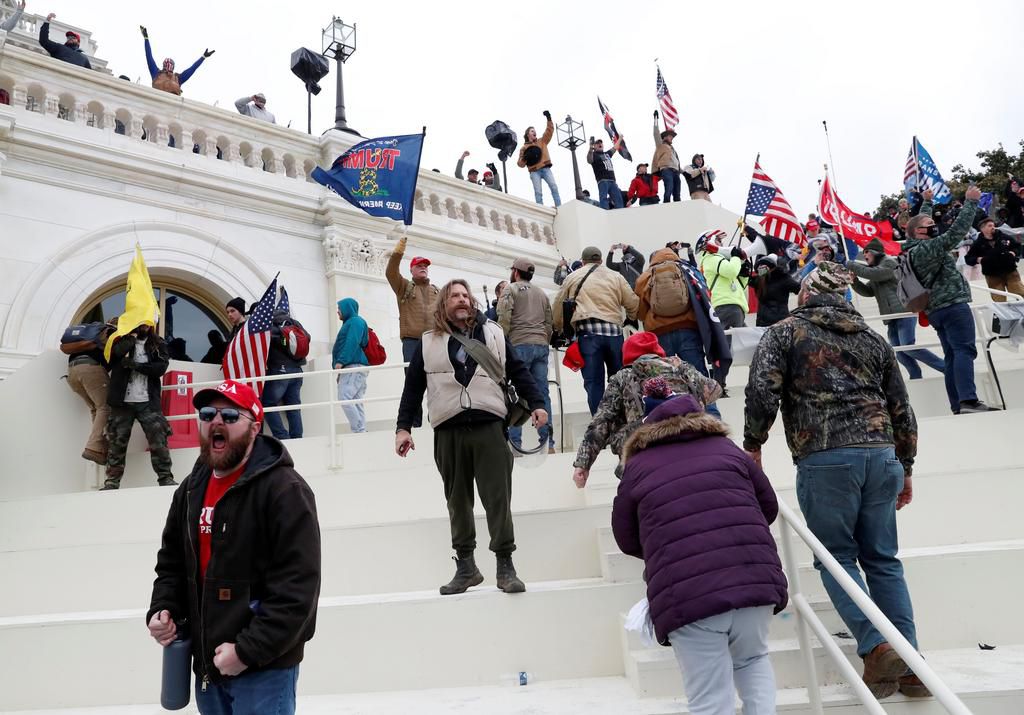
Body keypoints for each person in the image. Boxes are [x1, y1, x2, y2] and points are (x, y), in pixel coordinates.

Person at [744, 262, 929, 699]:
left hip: (826, 457)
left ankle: (877, 645)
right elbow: (901, 406)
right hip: (882, 454)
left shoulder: (785, 332)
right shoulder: (872, 337)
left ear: (805, 293)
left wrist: (753, 444)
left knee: (836, 559)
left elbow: (762, 390)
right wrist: (906, 466)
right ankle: (912, 666)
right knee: (883, 559)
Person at [147, 379, 321, 713]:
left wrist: (246, 652)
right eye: (208, 413)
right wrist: (163, 609)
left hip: (263, 668)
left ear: (255, 427)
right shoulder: (190, 489)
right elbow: (171, 564)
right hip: (208, 666)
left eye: (230, 416)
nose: (216, 421)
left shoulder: (285, 490)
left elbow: (298, 587)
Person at [613, 392, 788, 714]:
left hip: (689, 593)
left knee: (709, 698)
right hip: (754, 581)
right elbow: (768, 507)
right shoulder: (728, 450)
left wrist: (665, 549)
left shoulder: (638, 467)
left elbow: (626, 538)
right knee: (753, 660)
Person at [395, 279, 547, 595]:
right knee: (457, 501)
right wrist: (403, 429)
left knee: (498, 499)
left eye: (465, 295)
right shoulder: (428, 341)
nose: (461, 300)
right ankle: (466, 567)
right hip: (448, 429)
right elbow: (412, 389)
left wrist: (538, 405)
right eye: (454, 296)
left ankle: (505, 566)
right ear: (444, 304)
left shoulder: (493, 333)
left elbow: (519, 371)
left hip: (489, 426)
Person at [572, 331, 721, 486]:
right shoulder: (678, 369)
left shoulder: (623, 377)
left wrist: (583, 464)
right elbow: (715, 390)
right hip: (689, 446)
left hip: (645, 452)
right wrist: (683, 366)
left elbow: (601, 422)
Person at [905, 186, 997, 413]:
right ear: (918, 231)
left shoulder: (914, 249)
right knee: (964, 351)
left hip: (937, 310)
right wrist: (971, 203)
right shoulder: (928, 247)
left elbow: (919, 221)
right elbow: (956, 232)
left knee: (951, 356)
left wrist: (926, 202)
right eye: (928, 224)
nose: (933, 225)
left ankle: (958, 404)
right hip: (953, 306)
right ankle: (968, 400)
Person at [552, 246, 640, 414]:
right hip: (614, 335)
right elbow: (633, 302)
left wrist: (557, 328)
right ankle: (622, 420)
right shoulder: (616, 276)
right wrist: (630, 317)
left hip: (588, 336)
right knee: (620, 381)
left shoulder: (573, 276)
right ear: (600, 260)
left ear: (583, 261)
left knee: (594, 384)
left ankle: (600, 425)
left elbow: (558, 306)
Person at [848, 238, 945, 380]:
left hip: (904, 312)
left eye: (866, 252)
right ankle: (916, 376)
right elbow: (868, 291)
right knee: (900, 353)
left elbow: (874, 274)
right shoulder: (877, 271)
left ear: (875, 252)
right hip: (890, 317)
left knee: (908, 347)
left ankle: (945, 368)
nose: (865, 256)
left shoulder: (889, 263)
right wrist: (855, 281)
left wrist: (850, 263)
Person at [103, 324, 175, 490]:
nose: (143, 325)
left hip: (148, 402)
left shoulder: (158, 343)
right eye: (139, 320)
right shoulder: (119, 340)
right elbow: (115, 355)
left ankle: (165, 478)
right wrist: (131, 337)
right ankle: (112, 483)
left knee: (158, 440)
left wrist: (137, 366)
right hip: (122, 402)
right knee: (117, 443)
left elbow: (160, 368)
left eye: (146, 321)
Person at [497, 258, 554, 453]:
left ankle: (516, 445)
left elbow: (504, 317)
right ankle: (548, 443)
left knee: (516, 394)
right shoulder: (541, 293)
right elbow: (549, 322)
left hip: (518, 345)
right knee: (542, 393)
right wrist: (543, 340)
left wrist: (502, 341)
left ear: (515, 272)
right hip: (540, 345)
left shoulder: (510, 290)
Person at [385, 236, 439, 428]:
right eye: (419, 265)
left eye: (426, 265)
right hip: (411, 342)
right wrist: (399, 251)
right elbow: (391, 272)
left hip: (434, 341)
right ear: (412, 269)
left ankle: (437, 418)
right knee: (413, 382)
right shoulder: (404, 287)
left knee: (437, 380)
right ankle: (416, 424)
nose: (423, 267)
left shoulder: (436, 291)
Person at [697, 231, 749, 392]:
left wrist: (744, 273)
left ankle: (719, 383)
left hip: (733, 306)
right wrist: (735, 257)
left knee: (747, 347)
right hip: (726, 306)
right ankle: (718, 384)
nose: (721, 243)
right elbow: (731, 271)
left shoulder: (719, 259)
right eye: (718, 240)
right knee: (724, 348)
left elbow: (738, 283)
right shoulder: (711, 259)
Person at [61, 319, 116, 464]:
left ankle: (99, 447)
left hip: (73, 372)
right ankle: (93, 447)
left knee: (95, 408)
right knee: (105, 407)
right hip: (90, 368)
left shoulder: (88, 333)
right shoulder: (110, 332)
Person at [262, 309, 307, 439]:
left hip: (279, 370)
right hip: (297, 370)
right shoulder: (296, 323)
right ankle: (297, 437)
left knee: (268, 403)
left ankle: (282, 436)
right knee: (293, 406)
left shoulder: (272, 325)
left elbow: (264, 339)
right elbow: (307, 337)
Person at [140, 25, 214, 96]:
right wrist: (146, 38)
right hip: (160, 104)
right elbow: (149, 56)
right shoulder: (161, 74)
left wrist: (203, 57)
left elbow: (192, 69)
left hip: (170, 105)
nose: (169, 66)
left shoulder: (173, 77)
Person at [965, 216, 1024, 302]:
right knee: (998, 298)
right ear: (982, 229)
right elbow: (968, 258)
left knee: (1019, 292)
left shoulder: (1004, 237)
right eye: (989, 226)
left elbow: (1017, 246)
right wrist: (978, 259)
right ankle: (1002, 315)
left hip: (1010, 271)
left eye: (993, 225)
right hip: (992, 275)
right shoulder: (978, 243)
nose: (993, 227)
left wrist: (1014, 253)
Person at [332, 298, 369, 434]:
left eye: (340, 308)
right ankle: (361, 430)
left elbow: (352, 342)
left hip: (352, 366)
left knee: (344, 398)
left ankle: (358, 429)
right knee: (355, 400)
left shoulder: (355, 322)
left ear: (347, 308)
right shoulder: (352, 322)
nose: (337, 311)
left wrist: (341, 362)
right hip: (354, 366)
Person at [517, 111, 561, 207]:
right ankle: (540, 209)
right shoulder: (524, 148)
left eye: (534, 130)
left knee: (554, 186)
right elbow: (520, 164)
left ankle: (559, 206)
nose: (534, 132)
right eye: (532, 131)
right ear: (528, 134)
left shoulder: (542, 141)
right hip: (534, 171)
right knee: (538, 192)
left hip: (545, 168)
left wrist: (549, 118)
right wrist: (524, 158)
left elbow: (549, 131)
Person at [750, 255, 800, 327]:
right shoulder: (759, 280)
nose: (761, 269)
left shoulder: (783, 278)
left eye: (763, 266)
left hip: (778, 323)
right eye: (759, 267)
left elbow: (799, 288)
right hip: (764, 323)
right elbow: (745, 277)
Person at [651, 112, 681, 203]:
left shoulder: (673, 149)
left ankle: (678, 207)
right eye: (670, 136)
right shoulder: (660, 145)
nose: (671, 137)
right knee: (669, 188)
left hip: (676, 171)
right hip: (666, 170)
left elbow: (676, 161)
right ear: (664, 137)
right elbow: (656, 133)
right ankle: (666, 204)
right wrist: (656, 119)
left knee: (677, 191)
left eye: (672, 136)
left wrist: (683, 171)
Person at [586, 137, 624, 209]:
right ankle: (605, 212)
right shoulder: (594, 154)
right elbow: (589, 160)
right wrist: (590, 148)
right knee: (603, 198)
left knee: (618, 198)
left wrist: (620, 138)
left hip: (612, 181)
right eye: (597, 143)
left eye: (601, 143)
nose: (600, 144)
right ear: (594, 146)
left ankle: (620, 212)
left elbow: (615, 148)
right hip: (602, 180)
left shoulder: (607, 154)